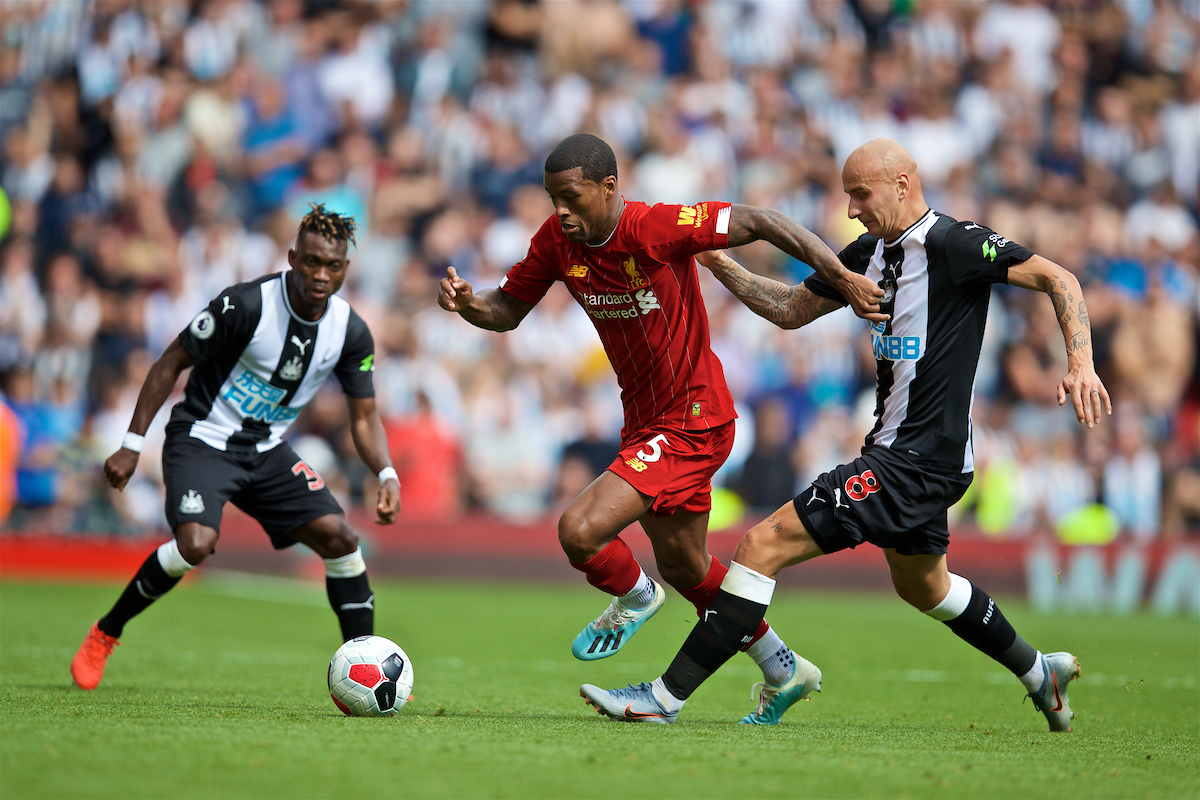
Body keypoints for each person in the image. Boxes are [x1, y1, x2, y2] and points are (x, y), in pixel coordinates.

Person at [580, 138, 1111, 731]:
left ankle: (666, 697)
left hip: (917, 459)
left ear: (902, 185)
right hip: (902, 454)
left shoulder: (957, 244)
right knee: (923, 585)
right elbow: (787, 309)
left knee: (761, 546)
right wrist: (719, 263)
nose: (852, 209)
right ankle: (1042, 672)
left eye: (861, 194)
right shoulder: (867, 253)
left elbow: (1059, 279)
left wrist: (1081, 363)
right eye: (847, 196)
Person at [438, 133, 884, 723]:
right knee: (686, 567)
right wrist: (470, 305)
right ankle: (784, 667)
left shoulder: (656, 228)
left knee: (579, 530)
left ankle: (635, 596)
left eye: (571, 197)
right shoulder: (554, 242)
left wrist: (843, 277)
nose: (561, 211)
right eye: (552, 199)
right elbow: (507, 310)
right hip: (647, 425)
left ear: (609, 187)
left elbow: (765, 220)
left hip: (694, 419)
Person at [71, 204, 401, 691]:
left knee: (341, 540)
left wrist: (387, 474)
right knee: (196, 545)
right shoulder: (246, 305)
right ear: (292, 257)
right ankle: (106, 632)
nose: (320, 274)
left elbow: (364, 416)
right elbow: (170, 362)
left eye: (332, 266)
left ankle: (365, 667)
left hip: (266, 449)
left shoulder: (350, 332)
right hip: (202, 438)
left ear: (345, 269)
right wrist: (131, 443)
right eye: (311, 261)